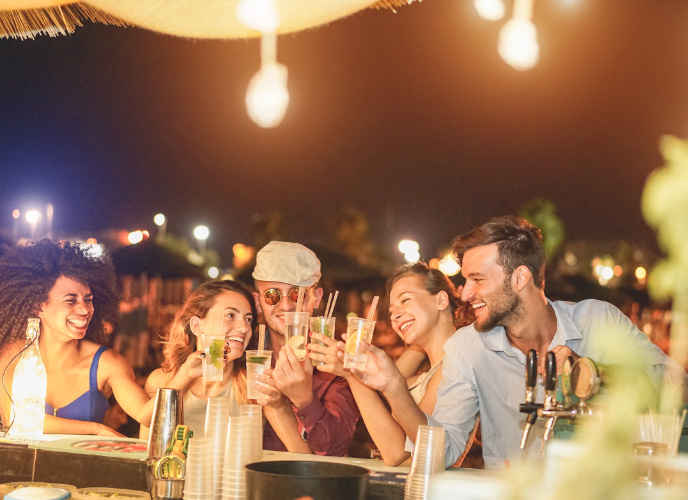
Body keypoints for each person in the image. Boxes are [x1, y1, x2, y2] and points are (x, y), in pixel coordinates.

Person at [349, 216, 688, 469]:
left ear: (520, 277)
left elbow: (677, 385)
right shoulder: (469, 348)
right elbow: (444, 452)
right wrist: (394, 387)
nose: (465, 294)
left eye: (476, 279)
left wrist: (594, 373)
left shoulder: (598, 320)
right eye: (465, 281)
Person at [0, 239, 196, 436]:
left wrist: (185, 374)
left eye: (88, 300)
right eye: (71, 300)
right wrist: (95, 429)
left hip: (82, 467)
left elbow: (147, 416)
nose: (84, 309)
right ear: (39, 307)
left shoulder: (108, 363)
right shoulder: (11, 357)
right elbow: (16, 420)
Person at [312, 262, 482, 467]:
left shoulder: (455, 365)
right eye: (391, 310)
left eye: (405, 300)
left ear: (441, 300)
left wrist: (353, 377)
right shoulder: (430, 373)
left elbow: (396, 452)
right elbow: (390, 383)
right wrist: (352, 371)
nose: (395, 315)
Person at [249, 241, 359, 456]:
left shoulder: (336, 361)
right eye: (272, 295)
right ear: (258, 302)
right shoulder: (245, 352)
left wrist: (305, 400)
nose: (287, 306)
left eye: (297, 294)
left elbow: (335, 450)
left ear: (316, 298)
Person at [140, 280, 258, 439]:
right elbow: (148, 436)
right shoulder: (160, 381)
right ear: (196, 326)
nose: (244, 328)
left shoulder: (254, 386)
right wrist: (185, 376)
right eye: (230, 315)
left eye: (248, 319)